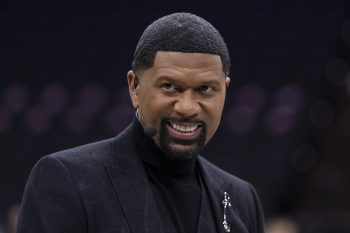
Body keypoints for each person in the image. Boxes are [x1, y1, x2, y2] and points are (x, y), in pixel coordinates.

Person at [17, 12, 265, 233]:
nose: (187, 107)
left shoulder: (242, 199)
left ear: (225, 90)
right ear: (134, 87)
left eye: (205, 89)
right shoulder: (66, 180)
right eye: (169, 87)